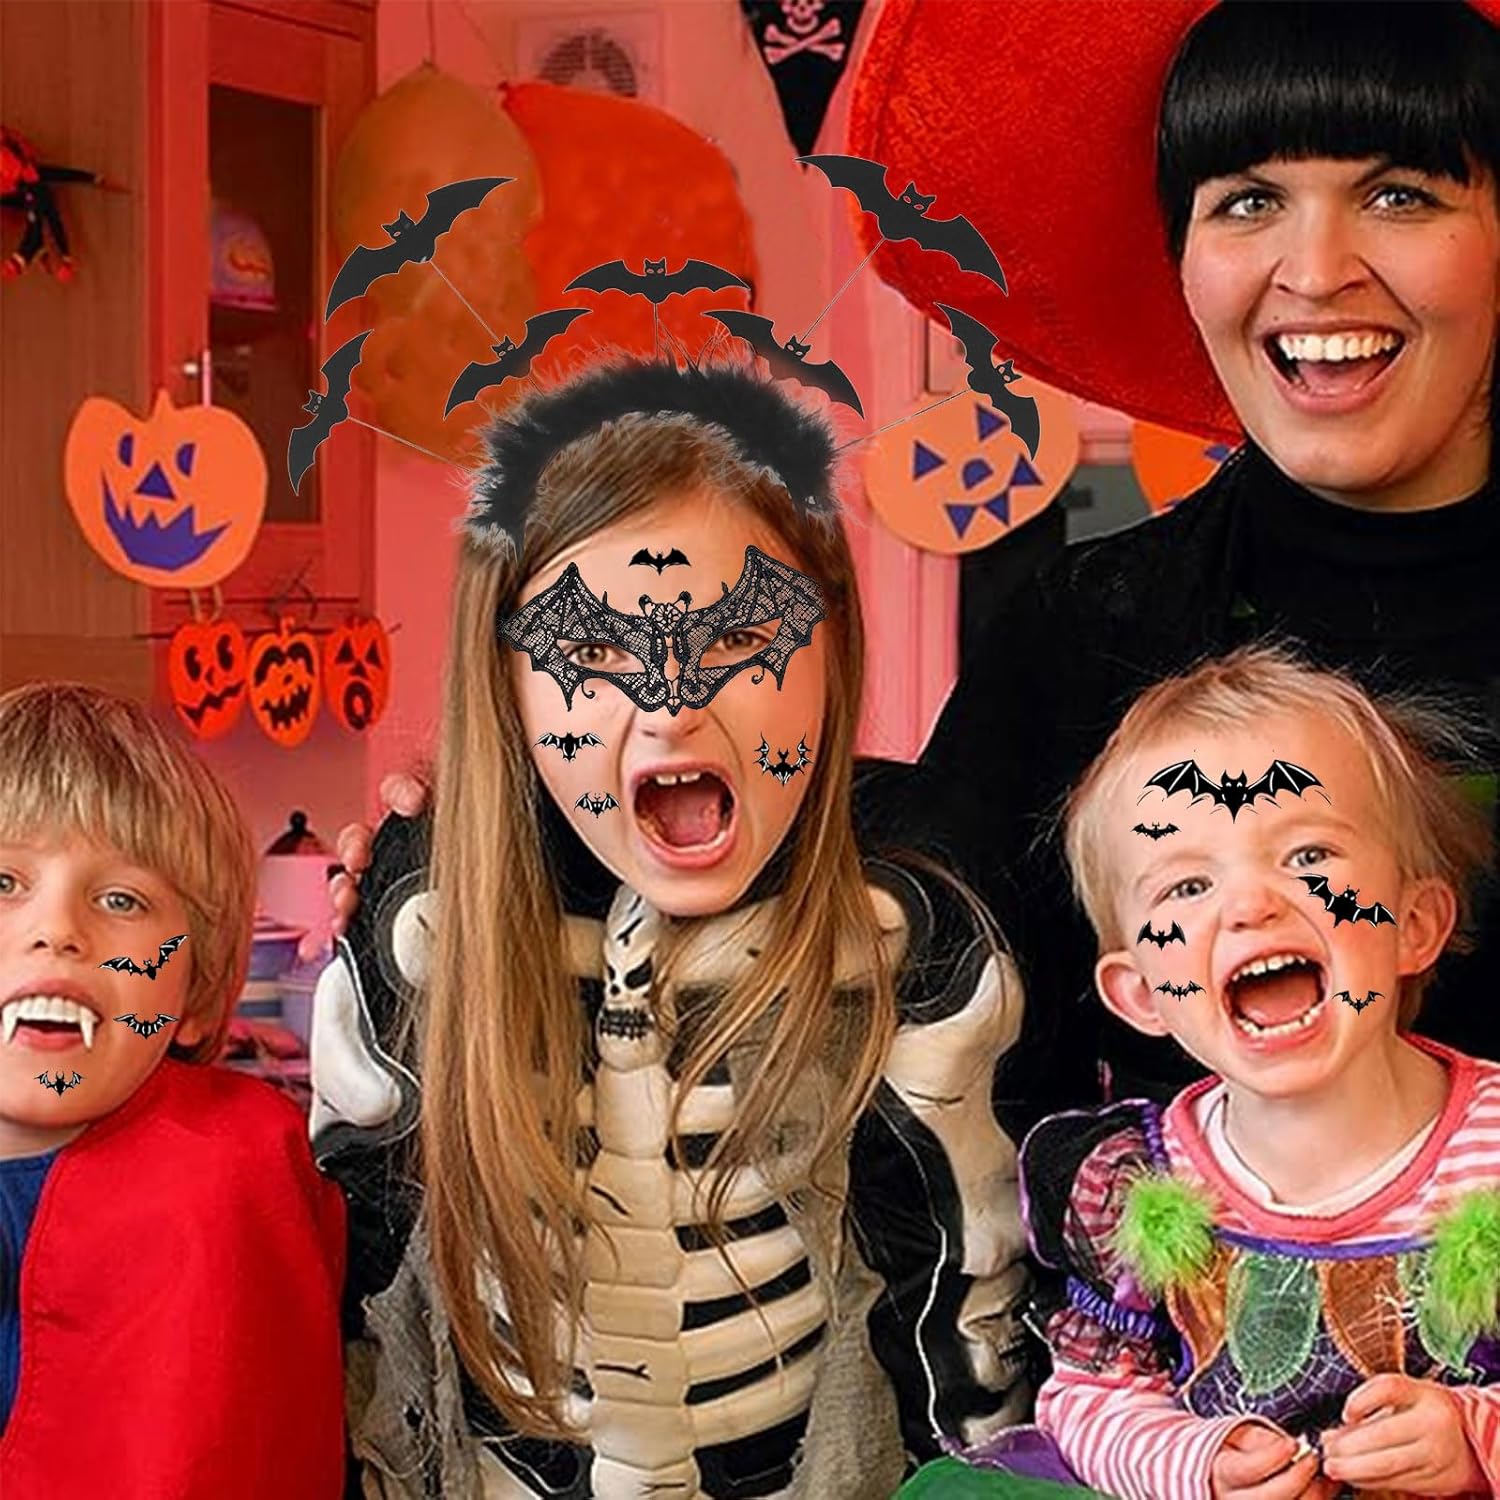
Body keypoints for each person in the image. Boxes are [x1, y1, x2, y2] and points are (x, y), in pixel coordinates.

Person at [310, 358, 1035, 1499]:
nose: (670, 705)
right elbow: (350, 1272)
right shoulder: (424, 910)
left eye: (739, 641)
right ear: (506, 687)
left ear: (832, 645)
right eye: (593, 654)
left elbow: (959, 1293)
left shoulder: (907, 915)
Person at [849, 0, 1500, 1121]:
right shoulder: (1076, 640)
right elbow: (935, 1036)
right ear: (1182, 260)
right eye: (1248, 201)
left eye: (1400, 195)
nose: (1316, 272)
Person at [907, 645, 1500, 1499]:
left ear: (1415, 925)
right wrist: (1198, 1464)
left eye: (1308, 858)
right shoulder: (1138, 1180)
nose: (1251, 905)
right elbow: (1093, 1399)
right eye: (1186, 887)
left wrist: (1474, 1441)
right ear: (1142, 994)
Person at [0, 683, 346, 1499]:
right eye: (2, 883)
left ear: (191, 996)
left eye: (122, 899)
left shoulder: (240, 1180)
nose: (58, 930)